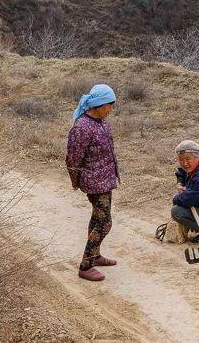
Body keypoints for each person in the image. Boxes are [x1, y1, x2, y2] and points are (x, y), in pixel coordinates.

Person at [66, 84, 119, 282]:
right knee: (104, 223)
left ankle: (95, 255)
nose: (111, 109)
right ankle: (86, 265)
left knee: (97, 219)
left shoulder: (102, 122)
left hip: (106, 180)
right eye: (109, 105)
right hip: (94, 182)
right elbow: (73, 159)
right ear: (98, 104)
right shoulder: (82, 127)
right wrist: (76, 181)